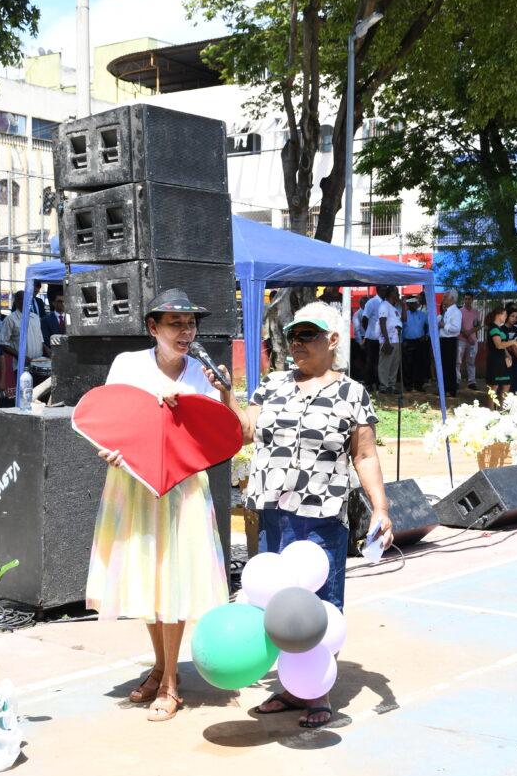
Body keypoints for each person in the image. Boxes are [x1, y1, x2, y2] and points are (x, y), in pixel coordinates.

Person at [212, 300, 393, 729]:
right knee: (276, 602)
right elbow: (245, 431)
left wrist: (381, 508)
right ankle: (291, 687)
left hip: (322, 516)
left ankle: (317, 691)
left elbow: (364, 455)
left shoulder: (352, 393)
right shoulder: (272, 384)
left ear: (333, 340)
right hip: (273, 513)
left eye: (307, 335)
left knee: (320, 603)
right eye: (292, 335)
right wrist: (226, 394)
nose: (297, 343)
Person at [86, 288, 229, 723]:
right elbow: (111, 422)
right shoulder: (127, 365)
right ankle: (162, 666)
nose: (186, 332)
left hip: (183, 488)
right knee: (148, 576)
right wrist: (109, 450)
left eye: (191, 324)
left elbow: (217, 434)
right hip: (133, 485)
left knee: (175, 579)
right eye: (175, 324)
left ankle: (169, 684)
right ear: (153, 327)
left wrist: (218, 397)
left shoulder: (201, 374)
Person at [0, 290, 47, 370]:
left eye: (28, 299)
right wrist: (21, 357)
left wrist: (47, 350)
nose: (26, 302)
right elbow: (3, 343)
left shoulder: (36, 317)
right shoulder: (10, 319)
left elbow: (40, 340)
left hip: (39, 365)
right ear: (16, 301)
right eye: (23, 299)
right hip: (21, 366)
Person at [484, 306, 516, 405]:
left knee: (506, 384)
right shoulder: (493, 328)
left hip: (502, 360)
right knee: (494, 386)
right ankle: (490, 410)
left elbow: (502, 345)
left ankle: (503, 408)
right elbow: (498, 345)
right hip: (495, 360)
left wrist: (507, 354)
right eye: (505, 315)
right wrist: (513, 342)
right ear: (498, 315)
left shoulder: (498, 328)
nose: (506, 317)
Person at [377, 285, 404, 394]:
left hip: (397, 339)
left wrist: (403, 305)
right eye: (396, 292)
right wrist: (386, 340)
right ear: (391, 293)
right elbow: (382, 323)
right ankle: (384, 386)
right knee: (385, 364)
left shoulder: (394, 308)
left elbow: (404, 319)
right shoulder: (384, 305)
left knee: (394, 364)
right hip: (387, 340)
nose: (398, 294)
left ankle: (391, 385)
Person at [401, 294, 429, 391]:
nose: (414, 305)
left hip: (419, 342)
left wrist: (427, 335)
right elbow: (400, 328)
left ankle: (418, 385)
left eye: (415, 303)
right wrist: (402, 341)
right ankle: (408, 385)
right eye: (412, 303)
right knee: (407, 364)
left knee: (419, 364)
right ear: (408, 304)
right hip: (407, 342)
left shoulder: (422, 315)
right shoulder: (404, 315)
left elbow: (430, 326)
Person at [438, 289, 462, 397]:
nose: (443, 299)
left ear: (452, 299)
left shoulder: (456, 312)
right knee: (443, 365)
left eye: (445, 297)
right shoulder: (446, 311)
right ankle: (444, 388)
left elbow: (456, 329)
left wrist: (444, 325)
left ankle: (451, 390)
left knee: (449, 366)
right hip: (443, 340)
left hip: (450, 341)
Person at [361, 287, 385, 391]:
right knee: (370, 362)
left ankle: (379, 383)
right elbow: (364, 319)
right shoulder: (371, 302)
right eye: (384, 289)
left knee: (380, 362)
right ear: (379, 290)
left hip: (382, 338)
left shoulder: (385, 302)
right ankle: (368, 384)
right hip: (372, 337)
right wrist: (369, 330)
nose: (386, 291)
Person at [456, 292, 480, 390]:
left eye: (469, 299)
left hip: (473, 341)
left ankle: (472, 382)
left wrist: (470, 335)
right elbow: (459, 326)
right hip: (461, 340)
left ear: (472, 300)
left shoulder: (476, 312)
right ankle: (457, 381)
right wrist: (468, 336)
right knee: (458, 361)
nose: (467, 301)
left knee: (471, 361)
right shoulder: (459, 312)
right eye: (465, 299)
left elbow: (477, 326)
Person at [503, 306, 517, 392]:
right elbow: (501, 344)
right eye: (512, 316)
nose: (514, 319)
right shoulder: (501, 329)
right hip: (504, 357)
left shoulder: (516, 329)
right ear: (507, 316)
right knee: (505, 378)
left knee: (514, 377)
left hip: (515, 356)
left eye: (516, 317)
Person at [350, 297, 367, 383]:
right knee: (361, 360)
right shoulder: (357, 314)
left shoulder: (367, 313)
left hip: (367, 338)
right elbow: (356, 330)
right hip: (362, 338)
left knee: (367, 360)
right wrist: (360, 343)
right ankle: (362, 377)